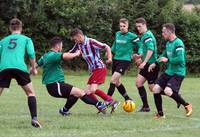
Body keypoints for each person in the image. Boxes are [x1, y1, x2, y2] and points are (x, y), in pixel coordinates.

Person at [36, 37, 107, 115]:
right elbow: (65, 56)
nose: (61, 47)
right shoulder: (54, 55)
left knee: (75, 94)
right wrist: (76, 53)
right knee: (80, 92)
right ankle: (99, 104)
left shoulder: (45, 56)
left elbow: (37, 64)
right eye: (61, 46)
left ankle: (64, 110)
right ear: (58, 46)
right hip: (55, 85)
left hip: (54, 86)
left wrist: (31, 70)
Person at [0, 18, 41, 128]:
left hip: (4, 68)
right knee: (31, 93)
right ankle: (34, 119)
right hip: (19, 67)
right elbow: (31, 54)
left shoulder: (3, 41)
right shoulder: (26, 39)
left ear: (10, 28)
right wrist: (33, 68)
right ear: (21, 28)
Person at [149, 23, 192, 118]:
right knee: (155, 89)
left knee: (168, 91)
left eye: (163, 32)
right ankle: (160, 114)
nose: (162, 34)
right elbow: (163, 55)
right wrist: (155, 63)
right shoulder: (168, 43)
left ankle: (187, 105)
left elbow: (180, 59)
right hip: (169, 71)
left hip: (178, 73)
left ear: (170, 32)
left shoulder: (178, 43)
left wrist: (168, 60)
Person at [70, 28, 118, 113]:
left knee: (92, 90)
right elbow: (70, 52)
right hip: (93, 70)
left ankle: (109, 101)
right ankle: (102, 106)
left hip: (99, 68)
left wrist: (109, 58)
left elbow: (106, 46)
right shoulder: (78, 44)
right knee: (87, 92)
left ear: (79, 36)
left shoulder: (91, 42)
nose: (75, 41)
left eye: (75, 39)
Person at [107, 18, 141, 101]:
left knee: (112, 80)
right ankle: (127, 98)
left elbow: (141, 45)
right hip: (116, 59)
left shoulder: (132, 36)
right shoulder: (117, 34)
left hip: (125, 60)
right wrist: (110, 52)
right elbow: (115, 45)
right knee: (117, 82)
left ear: (127, 26)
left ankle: (106, 101)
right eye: (120, 26)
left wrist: (139, 55)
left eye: (124, 26)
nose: (122, 28)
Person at [134, 17, 159, 112]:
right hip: (147, 64)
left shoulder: (148, 36)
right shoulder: (144, 35)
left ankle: (173, 93)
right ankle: (146, 106)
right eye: (137, 27)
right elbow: (145, 50)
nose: (138, 28)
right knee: (138, 83)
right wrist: (140, 56)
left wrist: (144, 62)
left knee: (153, 88)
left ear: (145, 25)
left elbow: (151, 50)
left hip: (151, 65)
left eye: (140, 26)